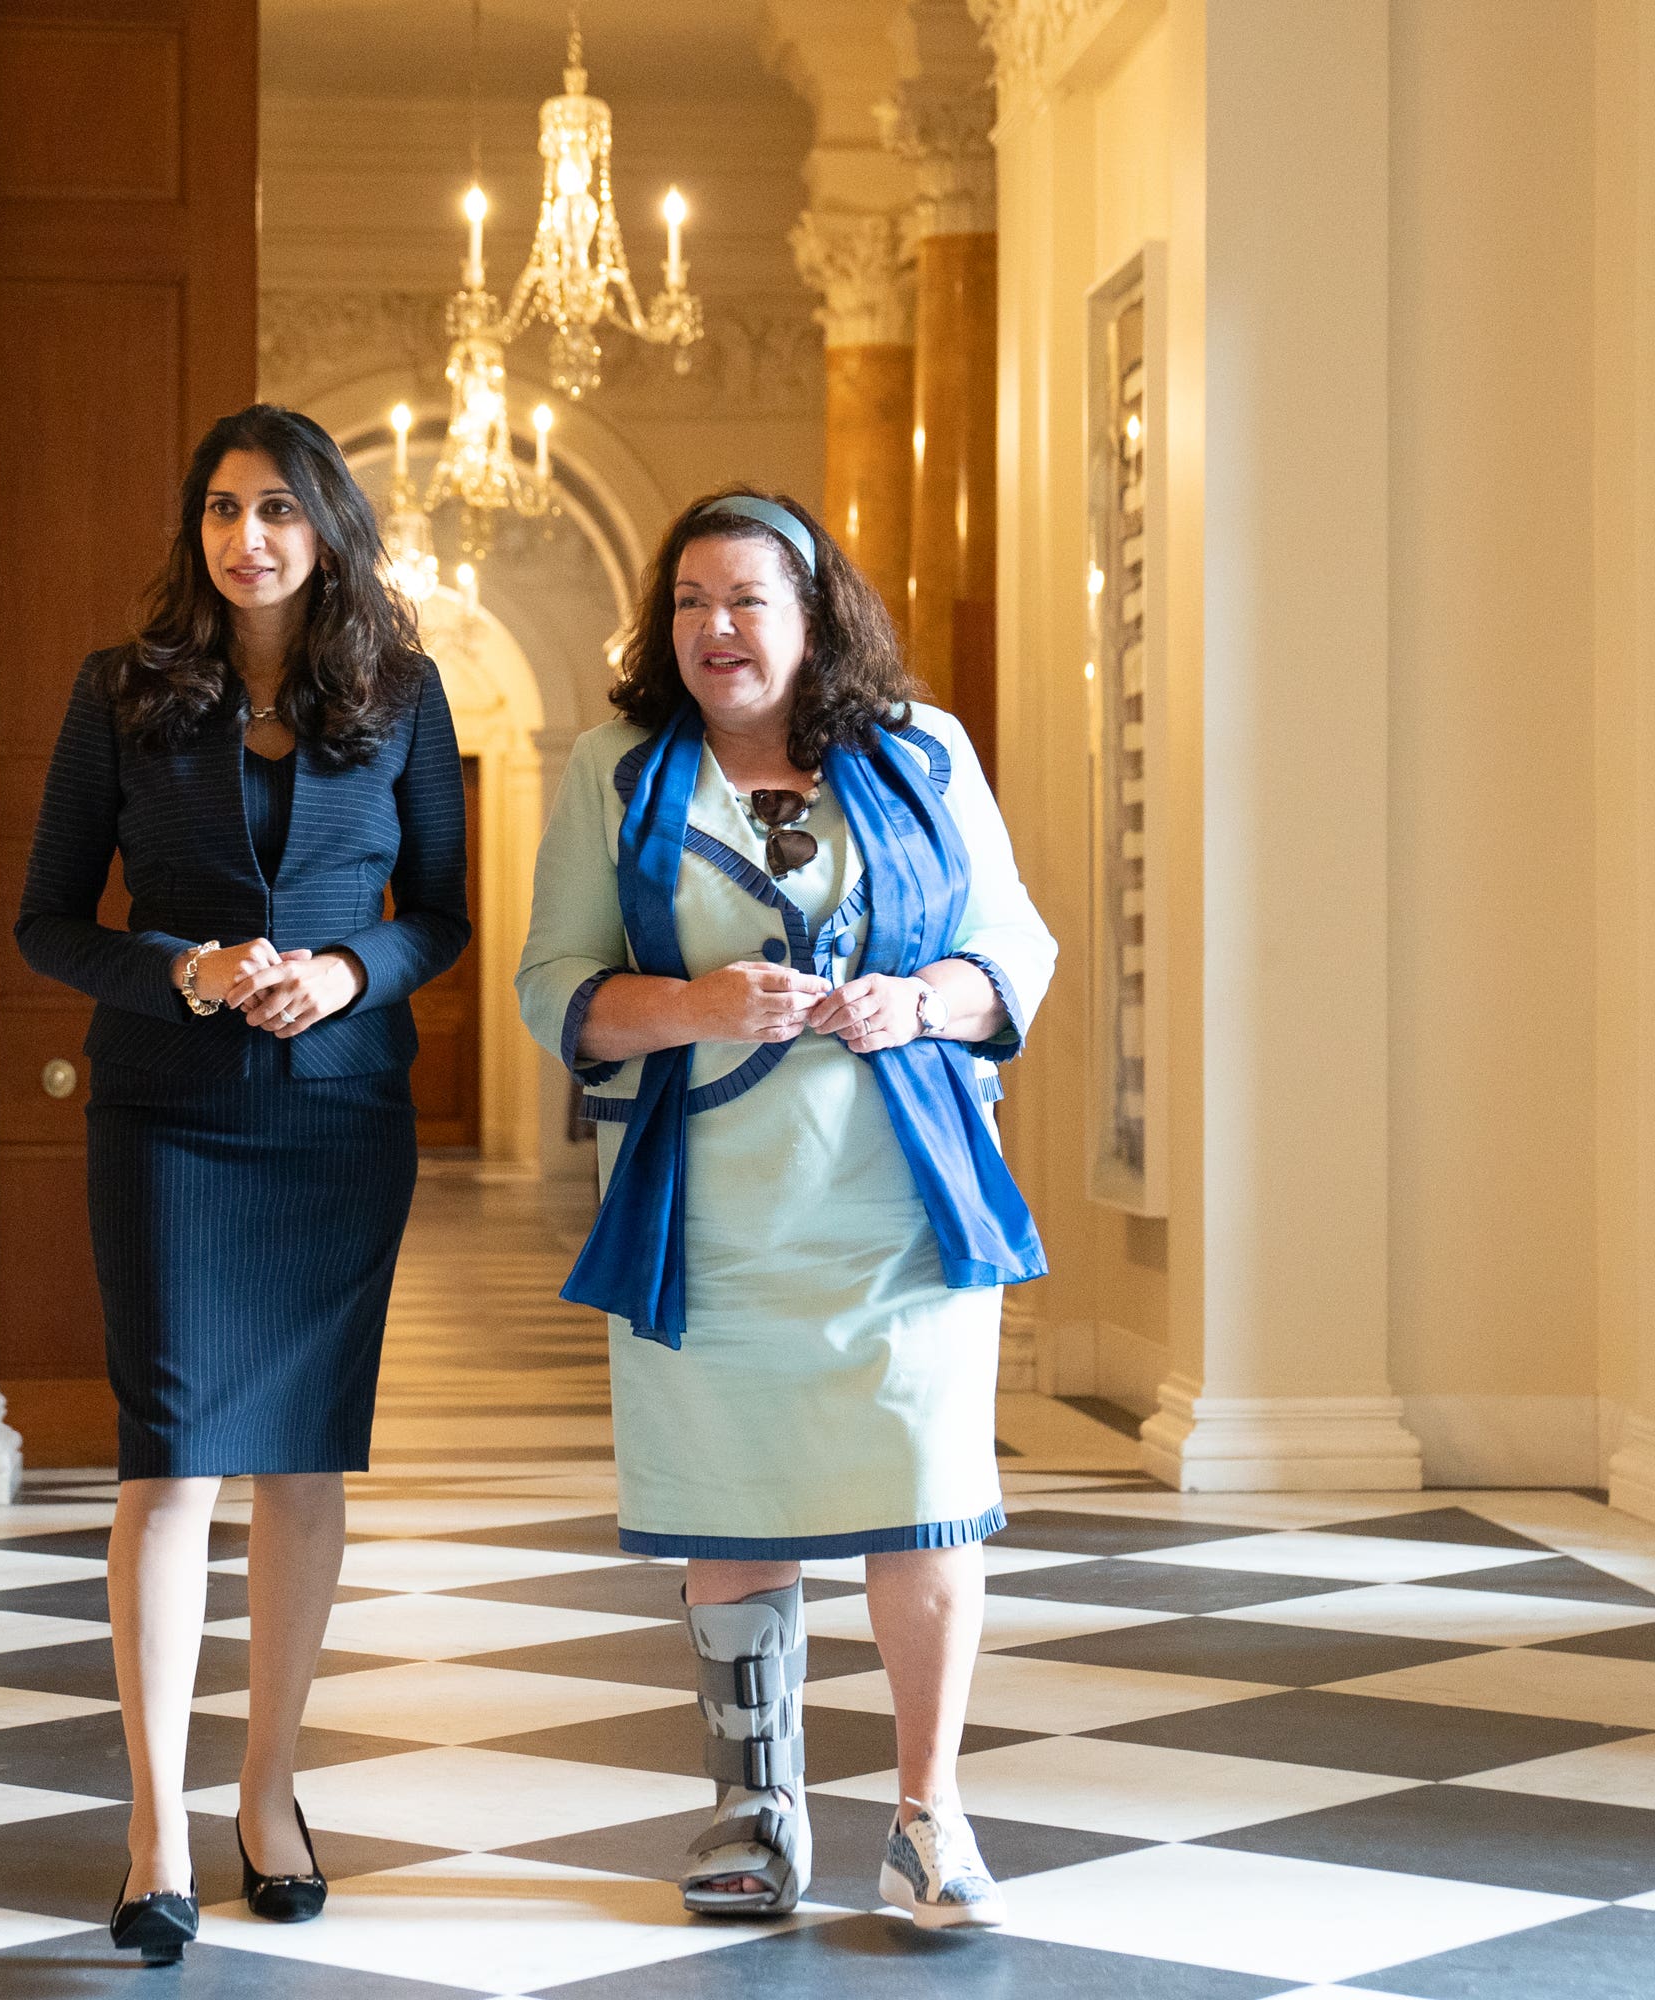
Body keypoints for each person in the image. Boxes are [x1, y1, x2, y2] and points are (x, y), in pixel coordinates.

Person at [516, 489, 1054, 1930]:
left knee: (927, 1508)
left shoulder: (923, 752)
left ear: (815, 618)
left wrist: (924, 998)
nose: (714, 630)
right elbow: (550, 985)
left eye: (747, 599)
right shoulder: (616, 770)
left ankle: (930, 1816)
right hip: (711, 1216)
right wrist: (691, 1003)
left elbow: (1014, 943)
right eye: (688, 602)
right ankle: (754, 1809)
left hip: (905, 1206)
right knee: (735, 1506)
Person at [16, 404, 470, 1964]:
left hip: (340, 1117)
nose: (247, 536)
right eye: (221, 508)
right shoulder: (121, 694)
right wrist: (183, 969)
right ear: (195, 531)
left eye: (278, 509)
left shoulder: (401, 695)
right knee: (171, 1461)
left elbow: (443, 917)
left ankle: (267, 1795)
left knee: (303, 1467)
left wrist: (349, 972)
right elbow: (48, 921)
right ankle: (156, 1827)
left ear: (327, 528)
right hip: (172, 1116)